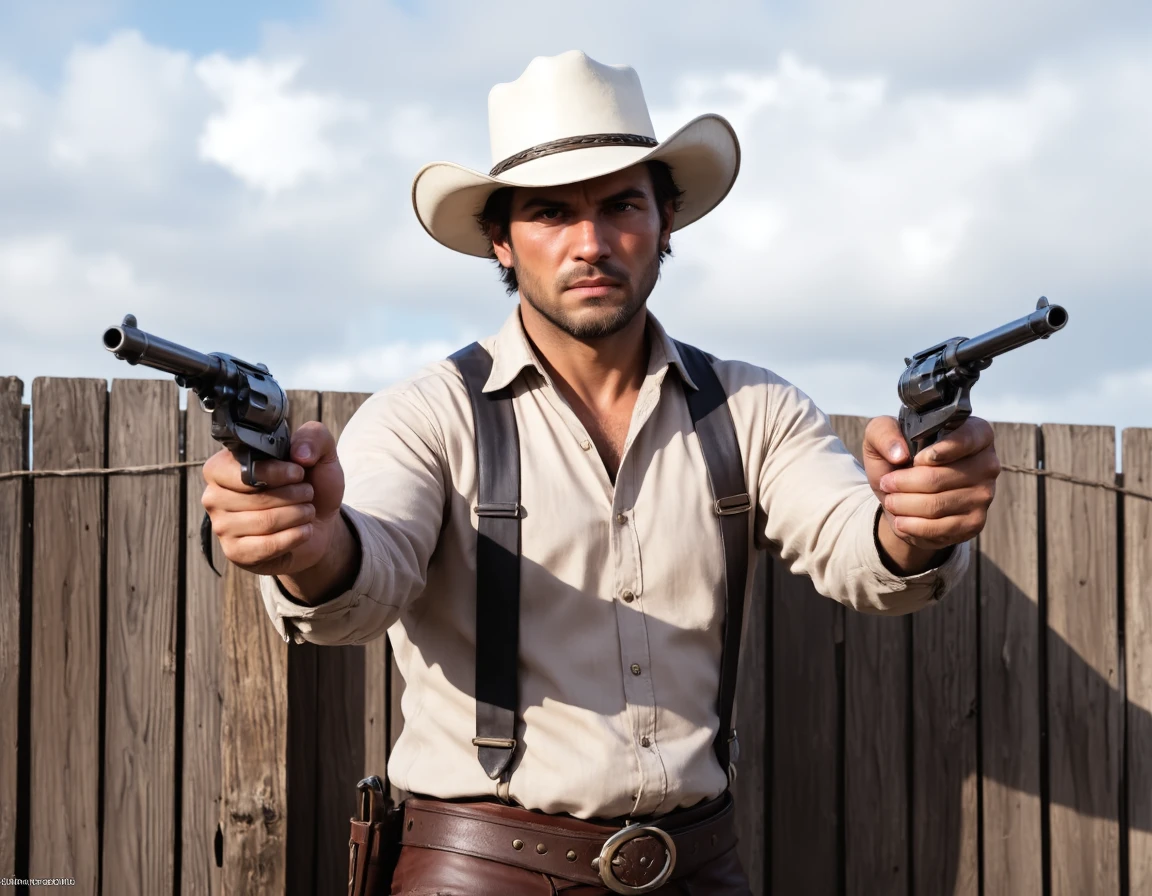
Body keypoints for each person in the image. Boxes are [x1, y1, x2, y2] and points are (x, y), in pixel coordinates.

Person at [201, 50, 1000, 895]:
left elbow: (860, 551)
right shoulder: (426, 413)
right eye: (551, 213)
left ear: (667, 222)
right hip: (480, 874)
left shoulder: (753, 408)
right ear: (500, 242)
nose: (590, 243)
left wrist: (914, 523)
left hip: (699, 871)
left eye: (621, 204)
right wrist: (307, 546)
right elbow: (365, 574)